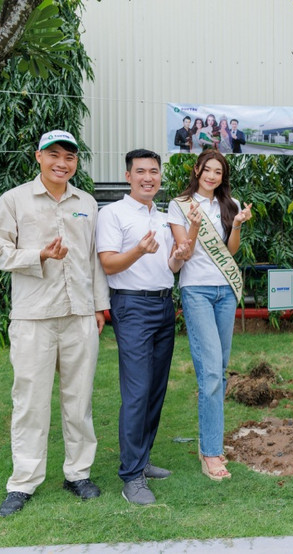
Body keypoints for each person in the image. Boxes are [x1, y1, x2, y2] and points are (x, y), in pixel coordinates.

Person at [0, 130, 110, 517]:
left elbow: (93, 259)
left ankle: (78, 474)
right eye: (54, 154)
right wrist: (39, 255)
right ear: (38, 157)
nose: (62, 163)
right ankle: (23, 482)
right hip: (33, 316)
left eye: (70, 157)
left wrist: (99, 307)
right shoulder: (13, 200)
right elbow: (0, 254)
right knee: (30, 402)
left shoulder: (86, 202)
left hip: (80, 315)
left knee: (80, 401)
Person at [96, 149, 191, 505]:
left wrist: (177, 257)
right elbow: (108, 264)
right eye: (140, 171)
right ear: (128, 176)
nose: (148, 177)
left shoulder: (164, 218)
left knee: (155, 390)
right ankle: (131, 476)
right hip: (132, 307)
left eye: (154, 171)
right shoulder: (112, 213)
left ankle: (143, 458)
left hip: (163, 304)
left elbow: (171, 266)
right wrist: (138, 250)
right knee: (137, 391)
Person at [168, 149, 253, 481]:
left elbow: (230, 251)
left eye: (218, 172)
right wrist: (193, 226)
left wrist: (238, 225)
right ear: (196, 170)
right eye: (208, 169)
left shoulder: (229, 205)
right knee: (211, 373)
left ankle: (211, 442)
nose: (212, 176)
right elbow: (184, 253)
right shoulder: (179, 205)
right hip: (197, 290)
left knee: (219, 369)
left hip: (225, 292)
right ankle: (211, 452)